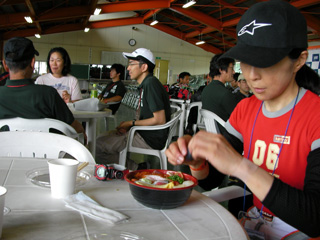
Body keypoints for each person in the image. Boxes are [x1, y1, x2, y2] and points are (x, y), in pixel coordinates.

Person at [166, 1, 320, 239]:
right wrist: (197, 163)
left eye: (266, 62)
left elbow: (315, 217)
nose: (252, 75)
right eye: (245, 62)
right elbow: (212, 180)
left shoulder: (315, 115)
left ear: (299, 61)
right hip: (256, 226)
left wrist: (241, 166)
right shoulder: (245, 109)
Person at [96, 48, 171, 168]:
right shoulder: (147, 84)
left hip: (149, 138)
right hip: (144, 133)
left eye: (131, 64)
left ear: (144, 67)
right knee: (101, 138)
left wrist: (131, 123)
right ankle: (136, 167)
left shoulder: (150, 84)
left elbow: (159, 120)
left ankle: (135, 168)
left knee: (98, 145)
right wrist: (130, 126)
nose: (128, 68)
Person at [0, 37, 85, 138]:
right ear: (33, 63)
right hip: (46, 153)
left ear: (5, 64)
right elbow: (78, 130)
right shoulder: (49, 94)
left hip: (5, 152)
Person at [201, 54, 238, 134]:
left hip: (213, 135)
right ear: (221, 70)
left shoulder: (206, 90)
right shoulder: (225, 94)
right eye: (232, 68)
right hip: (228, 138)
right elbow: (240, 119)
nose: (234, 72)